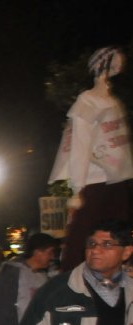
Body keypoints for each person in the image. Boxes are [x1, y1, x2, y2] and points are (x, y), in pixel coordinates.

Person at [50, 46, 133, 271]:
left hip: (116, 180)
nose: (114, 70)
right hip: (94, 180)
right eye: (111, 64)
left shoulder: (114, 103)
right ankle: (70, 284)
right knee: (82, 237)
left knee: (118, 235)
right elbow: (80, 146)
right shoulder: (88, 101)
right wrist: (77, 189)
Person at [0, 233, 57, 325]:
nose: (52, 257)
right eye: (50, 252)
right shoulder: (11, 273)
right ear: (37, 252)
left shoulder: (43, 276)